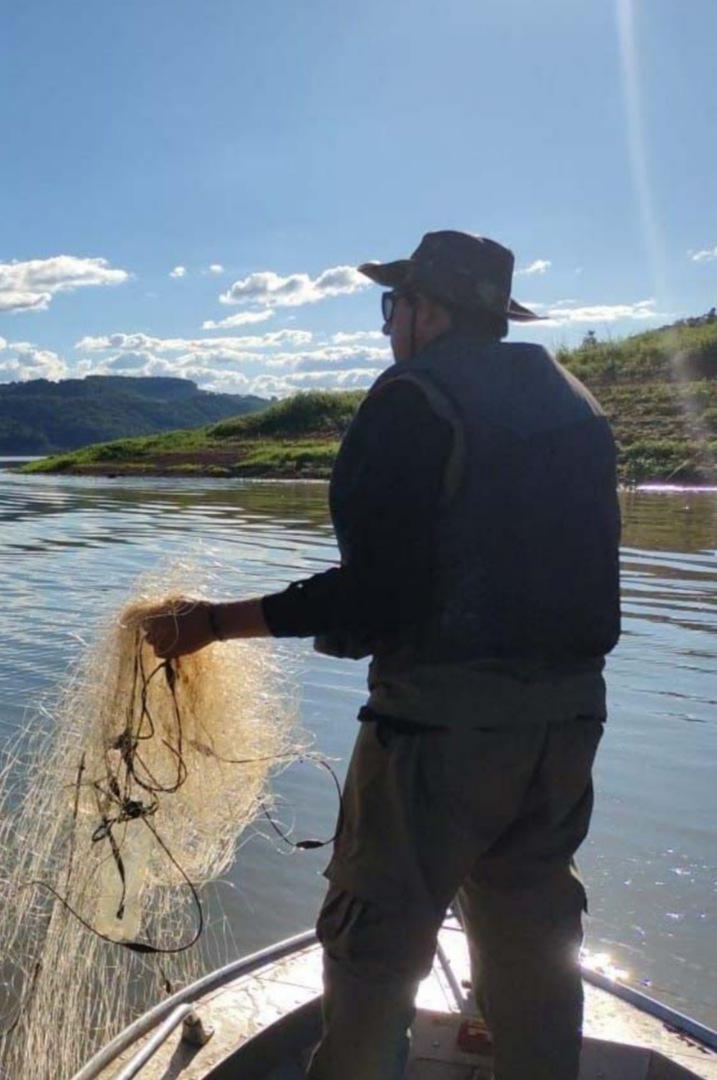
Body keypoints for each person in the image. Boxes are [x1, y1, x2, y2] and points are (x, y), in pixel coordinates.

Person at [139, 230, 620, 1080]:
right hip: (568, 726)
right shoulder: (570, 401)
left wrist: (210, 625)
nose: (389, 322)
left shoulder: (413, 400)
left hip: (439, 736)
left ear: (428, 310)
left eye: (393, 305)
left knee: (372, 956)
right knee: (534, 950)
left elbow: (374, 598)